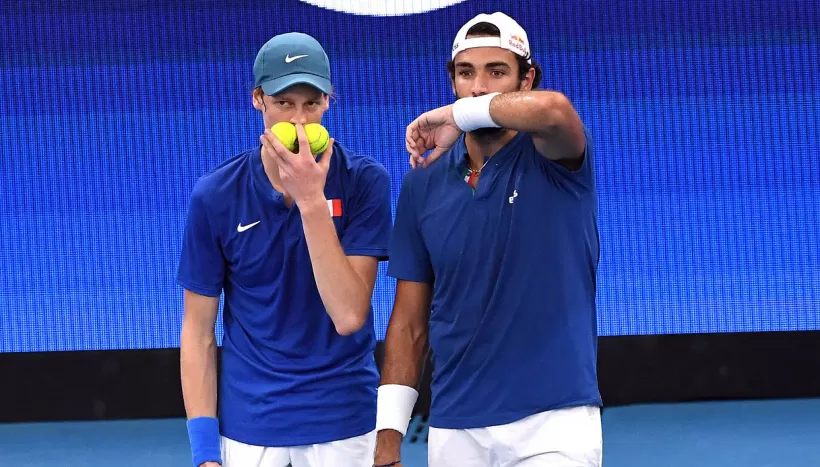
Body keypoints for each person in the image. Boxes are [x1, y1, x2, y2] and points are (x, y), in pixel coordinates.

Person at [373, 12, 603, 467]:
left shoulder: (556, 157)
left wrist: (457, 114)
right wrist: (387, 440)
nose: (478, 86)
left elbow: (553, 110)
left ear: (527, 78)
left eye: (497, 72)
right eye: (465, 73)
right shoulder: (422, 183)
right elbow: (409, 323)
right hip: (454, 428)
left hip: (553, 422)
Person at [176, 32, 392, 467]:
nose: (298, 122)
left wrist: (312, 200)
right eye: (284, 103)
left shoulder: (365, 182)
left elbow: (349, 315)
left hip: (344, 421)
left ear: (329, 101)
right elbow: (198, 332)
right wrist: (204, 453)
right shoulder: (215, 195)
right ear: (258, 99)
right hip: (249, 427)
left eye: (311, 104)